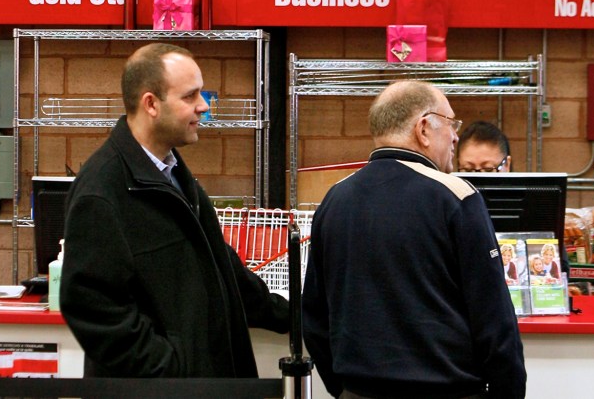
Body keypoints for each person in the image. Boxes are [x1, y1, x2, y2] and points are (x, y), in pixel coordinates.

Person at [59, 43, 289, 378]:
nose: (203, 107)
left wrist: (291, 313)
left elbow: (220, 268)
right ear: (151, 104)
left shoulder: (174, 176)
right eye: (190, 96)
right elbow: (93, 309)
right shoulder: (102, 191)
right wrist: (171, 367)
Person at [302, 80, 527, 399]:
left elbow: (314, 317)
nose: (455, 136)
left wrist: (344, 390)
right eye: (451, 124)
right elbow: (495, 322)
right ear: (424, 129)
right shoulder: (457, 198)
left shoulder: (334, 200)